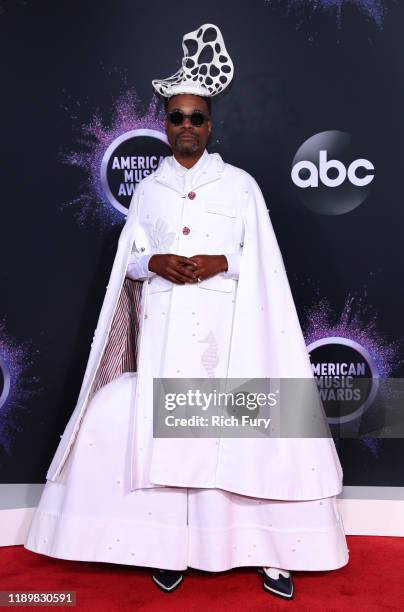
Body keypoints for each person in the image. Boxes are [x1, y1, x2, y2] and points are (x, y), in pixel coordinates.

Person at [24, 24, 349, 600]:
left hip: (231, 338)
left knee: (243, 445)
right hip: (168, 335)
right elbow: (129, 264)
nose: (187, 127)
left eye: (197, 117)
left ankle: (269, 551)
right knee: (174, 448)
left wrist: (219, 260)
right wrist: (156, 264)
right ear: (165, 124)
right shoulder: (148, 191)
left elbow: (265, 264)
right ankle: (168, 548)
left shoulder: (241, 186)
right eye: (176, 117)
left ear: (210, 124)